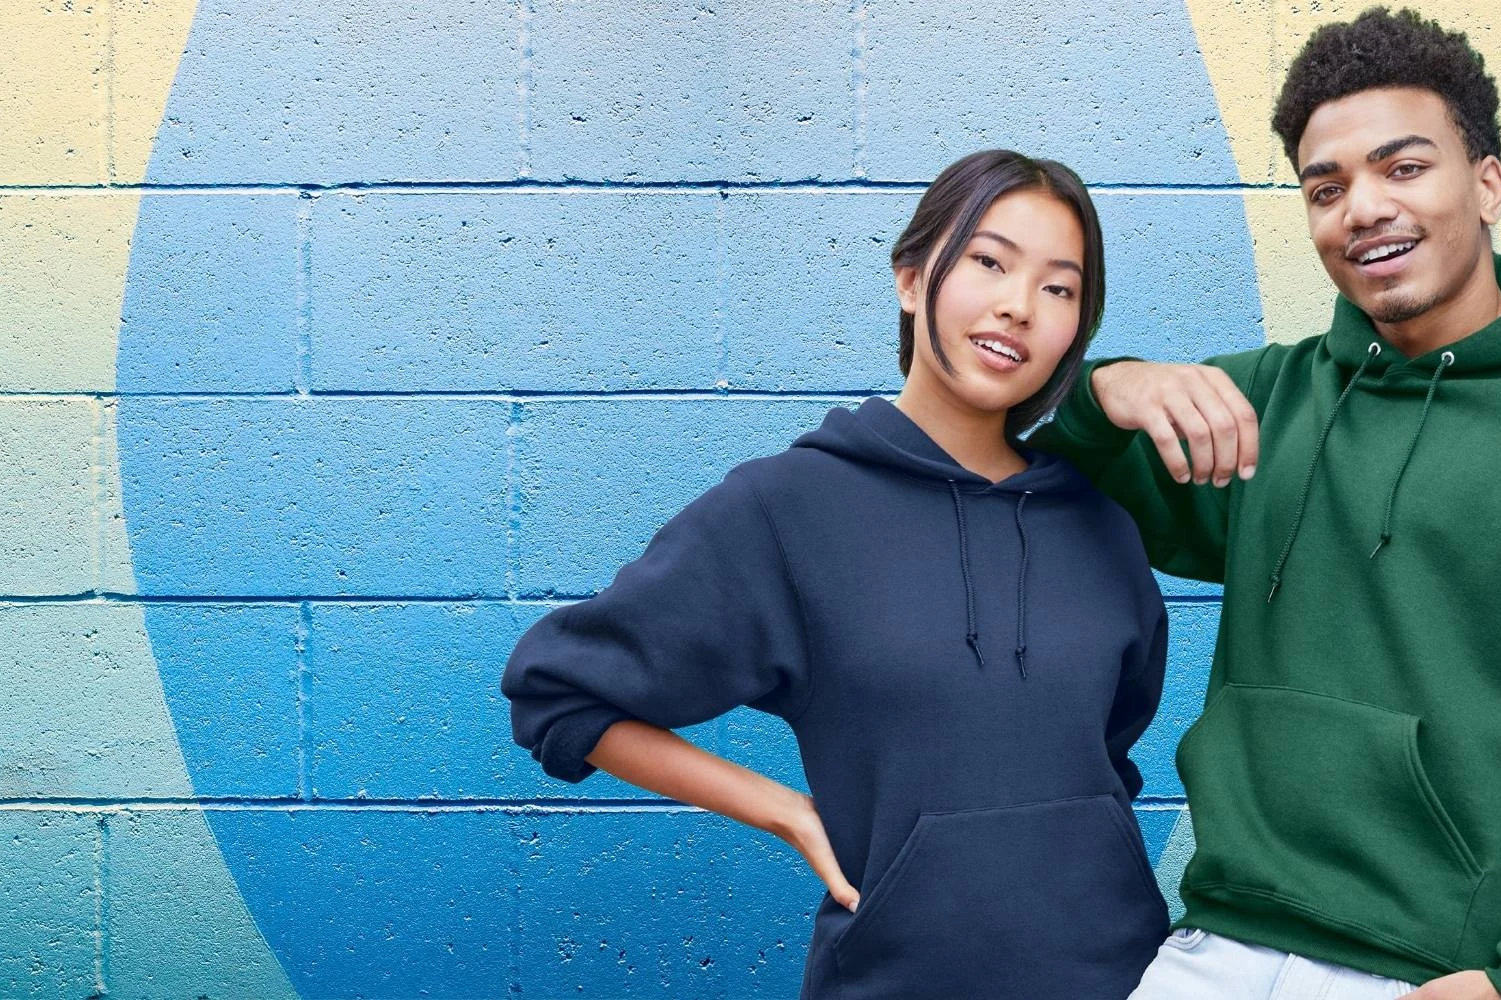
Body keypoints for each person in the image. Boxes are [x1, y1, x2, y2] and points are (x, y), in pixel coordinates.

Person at [1026, 9, 1501, 1000]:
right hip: (1212, 946)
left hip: (1431, 975)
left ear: (1488, 183)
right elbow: (1018, 459)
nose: (1362, 208)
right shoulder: (1270, 401)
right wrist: (1107, 389)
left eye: (1403, 168)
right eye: (1327, 187)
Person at [502, 149, 1171, 998]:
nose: (1018, 305)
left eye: (1059, 288)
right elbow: (555, 692)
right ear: (910, 278)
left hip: (1121, 977)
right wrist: (785, 812)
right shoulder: (789, 508)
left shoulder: (1101, 525)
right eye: (989, 262)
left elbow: (1106, 761)